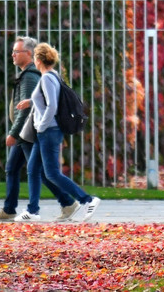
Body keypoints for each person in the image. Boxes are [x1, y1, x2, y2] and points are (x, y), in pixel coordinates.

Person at [16, 42, 102, 223]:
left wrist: (42, 125)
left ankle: (87, 200)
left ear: (38, 59)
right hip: (46, 131)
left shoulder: (46, 78)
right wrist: (30, 102)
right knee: (33, 169)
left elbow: (52, 106)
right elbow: (46, 101)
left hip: (48, 131)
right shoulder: (53, 75)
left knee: (52, 173)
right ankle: (32, 210)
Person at [0, 36, 58, 221]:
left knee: (39, 172)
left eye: (16, 51)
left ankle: (67, 202)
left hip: (26, 133)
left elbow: (26, 110)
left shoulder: (29, 76)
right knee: (13, 168)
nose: (12, 55)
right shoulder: (27, 74)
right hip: (24, 133)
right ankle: (10, 209)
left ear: (29, 54)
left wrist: (13, 133)